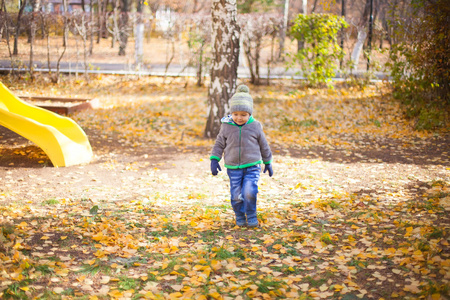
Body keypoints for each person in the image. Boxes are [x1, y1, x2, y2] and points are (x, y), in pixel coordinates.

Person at [210, 84, 273, 228]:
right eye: (236, 114)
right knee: (236, 195)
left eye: (243, 114)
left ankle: (251, 215)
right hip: (233, 167)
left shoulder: (255, 126)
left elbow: (264, 145)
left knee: (249, 191)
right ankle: (239, 215)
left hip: (252, 166)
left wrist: (267, 161)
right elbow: (219, 143)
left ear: (250, 114)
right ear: (231, 112)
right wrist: (214, 159)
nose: (239, 118)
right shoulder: (226, 126)